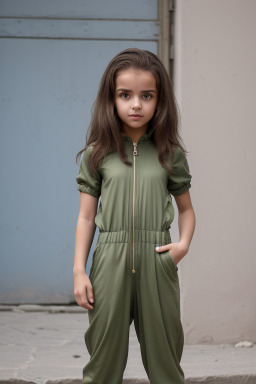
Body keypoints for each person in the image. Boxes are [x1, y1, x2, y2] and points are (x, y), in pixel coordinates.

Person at [73, 48, 196, 384]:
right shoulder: (98, 155)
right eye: (125, 95)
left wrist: (182, 245)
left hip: (157, 259)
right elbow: (86, 218)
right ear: (111, 99)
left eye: (147, 96)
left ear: (160, 101)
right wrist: (79, 271)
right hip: (108, 260)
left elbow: (185, 209)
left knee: (166, 358)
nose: (136, 104)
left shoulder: (170, 154)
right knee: (102, 360)